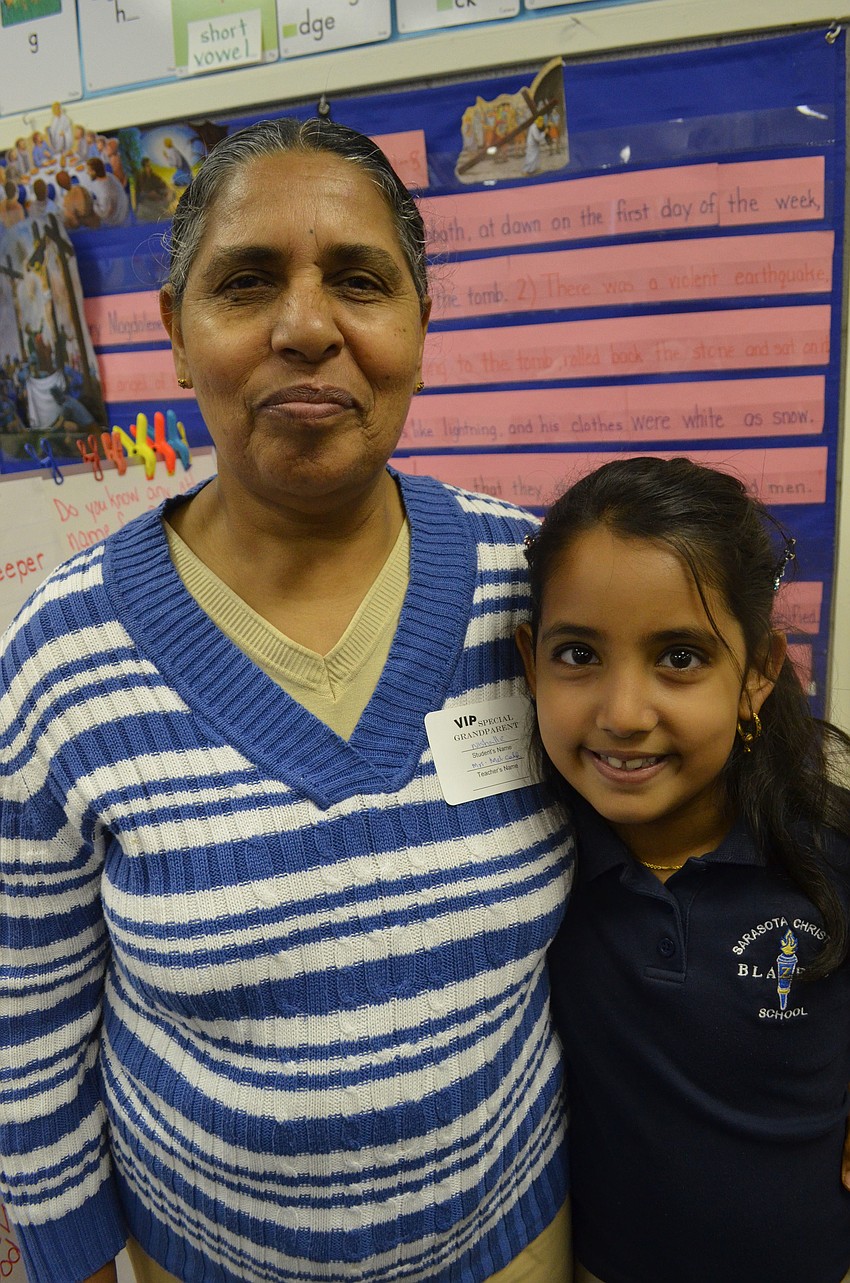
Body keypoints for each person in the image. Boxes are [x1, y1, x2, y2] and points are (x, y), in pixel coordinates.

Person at [0, 117, 572, 1283]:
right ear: (176, 332)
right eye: (247, 281)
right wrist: (74, 1260)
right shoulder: (58, 655)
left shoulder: (541, 591)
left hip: (515, 1234)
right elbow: (29, 1016)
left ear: (420, 325)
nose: (307, 327)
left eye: (359, 281)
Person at [515, 455, 850, 1283]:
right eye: (578, 653)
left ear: (759, 673)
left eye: (679, 657)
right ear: (530, 662)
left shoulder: (827, 850)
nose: (624, 714)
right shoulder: (527, 866)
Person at [86, 156, 130, 226]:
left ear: (94, 172)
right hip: (122, 213)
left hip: (114, 221)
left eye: (89, 170)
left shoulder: (103, 190)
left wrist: (91, 204)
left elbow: (104, 214)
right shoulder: (109, 176)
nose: (87, 173)